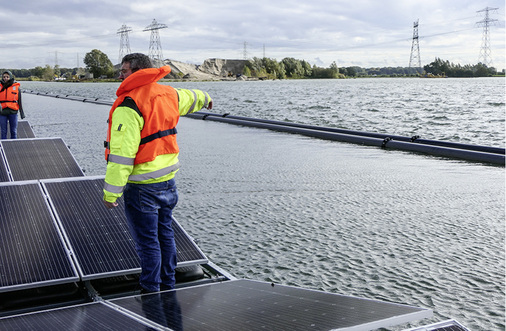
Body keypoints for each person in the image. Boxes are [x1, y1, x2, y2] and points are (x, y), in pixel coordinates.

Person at [102, 53, 213, 293]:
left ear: (139, 71)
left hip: (142, 188)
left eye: (124, 70)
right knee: (166, 236)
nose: (120, 75)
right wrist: (207, 98)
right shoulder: (169, 94)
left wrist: (112, 193)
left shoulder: (128, 104)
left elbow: (122, 155)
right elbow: (192, 97)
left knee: (148, 243)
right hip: (168, 184)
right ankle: (168, 284)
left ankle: (151, 290)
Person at [0, 71, 25, 139]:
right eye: (4, 77)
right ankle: (2, 148)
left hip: (13, 112)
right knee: (3, 131)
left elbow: (19, 101)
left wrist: (21, 113)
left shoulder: (17, 88)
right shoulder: (0, 87)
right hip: (2, 112)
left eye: (7, 77)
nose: (5, 78)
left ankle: (14, 145)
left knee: (13, 131)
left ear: (10, 77)